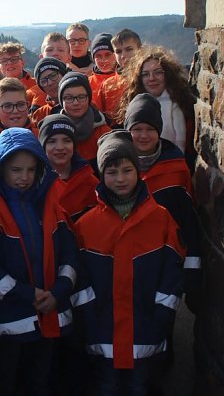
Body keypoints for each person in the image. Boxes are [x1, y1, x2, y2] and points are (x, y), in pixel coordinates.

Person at [0, 127, 84, 396]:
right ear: (1, 168)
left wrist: (59, 290)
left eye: (31, 170)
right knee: (7, 381)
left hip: (49, 310)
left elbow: (69, 252)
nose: (24, 177)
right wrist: (26, 294)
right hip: (10, 317)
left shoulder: (52, 204)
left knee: (42, 380)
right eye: (16, 170)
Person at [73, 130, 185, 395]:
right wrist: (90, 321)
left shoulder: (161, 219)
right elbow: (81, 282)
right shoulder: (85, 226)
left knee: (139, 387)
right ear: (101, 175)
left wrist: (160, 319)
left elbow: (171, 276)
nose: (120, 179)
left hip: (145, 330)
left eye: (127, 170)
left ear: (138, 172)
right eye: (111, 172)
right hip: (103, 332)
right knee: (106, 386)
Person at [124, 93, 200, 305]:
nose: (143, 136)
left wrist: (191, 271)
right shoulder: (115, 168)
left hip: (165, 262)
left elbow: (188, 221)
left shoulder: (176, 168)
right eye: (137, 129)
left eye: (150, 129)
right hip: (125, 262)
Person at [118, 45, 197, 169]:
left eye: (158, 72)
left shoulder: (185, 105)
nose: (151, 78)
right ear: (139, 78)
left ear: (168, 74)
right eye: (145, 74)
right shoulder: (133, 107)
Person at [38, 114, 99, 221]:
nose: (60, 147)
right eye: (52, 141)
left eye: (67, 140)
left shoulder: (89, 182)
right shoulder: (35, 182)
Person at [58, 72, 110, 171]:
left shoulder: (103, 132)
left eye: (81, 97)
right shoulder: (54, 130)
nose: (76, 103)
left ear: (89, 98)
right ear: (61, 101)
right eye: (69, 98)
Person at [97, 29, 142, 124]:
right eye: (118, 51)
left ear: (139, 50)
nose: (123, 55)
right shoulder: (108, 85)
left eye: (129, 49)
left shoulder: (149, 79)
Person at [30, 56, 67, 122]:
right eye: (43, 81)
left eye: (53, 76)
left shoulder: (82, 103)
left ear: (64, 75)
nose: (50, 83)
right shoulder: (39, 115)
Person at [88, 33, 117, 108]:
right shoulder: (88, 83)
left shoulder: (124, 80)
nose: (104, 60)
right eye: (98, 56)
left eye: (108, 55)